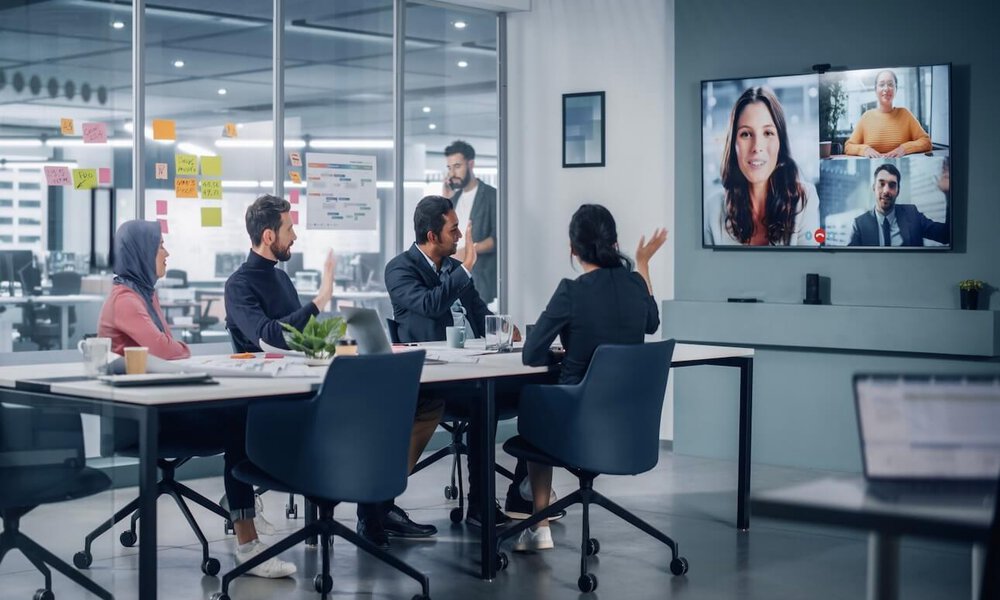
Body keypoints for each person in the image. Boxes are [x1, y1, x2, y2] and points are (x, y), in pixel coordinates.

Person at [225, 195, 443, 549]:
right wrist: (319, 300)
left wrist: (335, 341)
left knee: (383, 411)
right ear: (268, 236)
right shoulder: (239, 285)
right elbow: (269, 335)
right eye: (289, 228)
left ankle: (374, 515)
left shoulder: (281, 280)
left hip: (307, 386)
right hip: (271, 402)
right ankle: (365, 517)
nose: (294, 236)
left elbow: (301, 339)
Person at [99, 220, 296, 578]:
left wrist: (178, 350)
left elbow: (172, 352)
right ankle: (247, 542)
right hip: (140, 419)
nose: (166, 252)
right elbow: (169, 351)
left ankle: (244, 512)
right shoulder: (125, 300)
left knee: (242, 414)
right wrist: (179, 349)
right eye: (160, 246)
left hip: (164, 405)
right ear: (142, 253)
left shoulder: (145, 294)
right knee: (239, 421)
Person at [509, 204, 667, 552]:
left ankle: (541, 525)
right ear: (614, 243)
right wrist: (642, 265)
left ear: (573, 249)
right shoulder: (634, 286)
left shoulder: (572, 291)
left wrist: (564, 353)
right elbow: (652, 323)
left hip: (576, 424)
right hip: (629, 427)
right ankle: (535, 507)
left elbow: (531, 355)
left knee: (536, 402)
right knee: (546, 403)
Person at [385, 195, 526, 528]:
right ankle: (383, 507)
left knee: (529, 393)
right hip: (429, 379)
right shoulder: (400, 269)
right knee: (483, 400)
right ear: (432, 236)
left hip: (469, 371)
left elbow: (478, 311)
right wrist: (465, 268)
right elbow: (431, 304)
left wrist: (506, 328)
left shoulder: (450, 268)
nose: (460, 236)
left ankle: (515, 496)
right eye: (454, 229)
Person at [704, 86, 820, 246]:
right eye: (746, 134)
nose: (757, 146)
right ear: (733, 145)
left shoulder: (805, 199)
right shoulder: (712, 209)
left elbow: (807, 267)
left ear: (780, 143)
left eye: (768, 133)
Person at [442, 140, 497, 306]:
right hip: (454, 278)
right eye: (450, 168)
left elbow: (497, 239)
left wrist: (468, 251)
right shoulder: (454, 199)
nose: (453, 173)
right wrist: (445, 200)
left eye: (457, 166)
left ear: (471, 164)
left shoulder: (491, 195)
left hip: (481, 280)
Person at [848, 163, 949, 247]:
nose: (886, 191)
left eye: (892, 185)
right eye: (881, 184)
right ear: (874, 188)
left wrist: (948, 194)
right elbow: (850, 261)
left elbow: (946, 235)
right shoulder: (860, 224)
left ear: (898, 191)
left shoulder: (912, 214)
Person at [844, 70, 932, 158]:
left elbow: (926, 142)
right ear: (875, 89)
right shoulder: (866, 117)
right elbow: (848, 147)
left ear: (896, 89)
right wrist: (865, 150)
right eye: (882, 85)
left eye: (890, 84)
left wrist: (904, 149)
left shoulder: (905, 114)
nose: (886, 88)